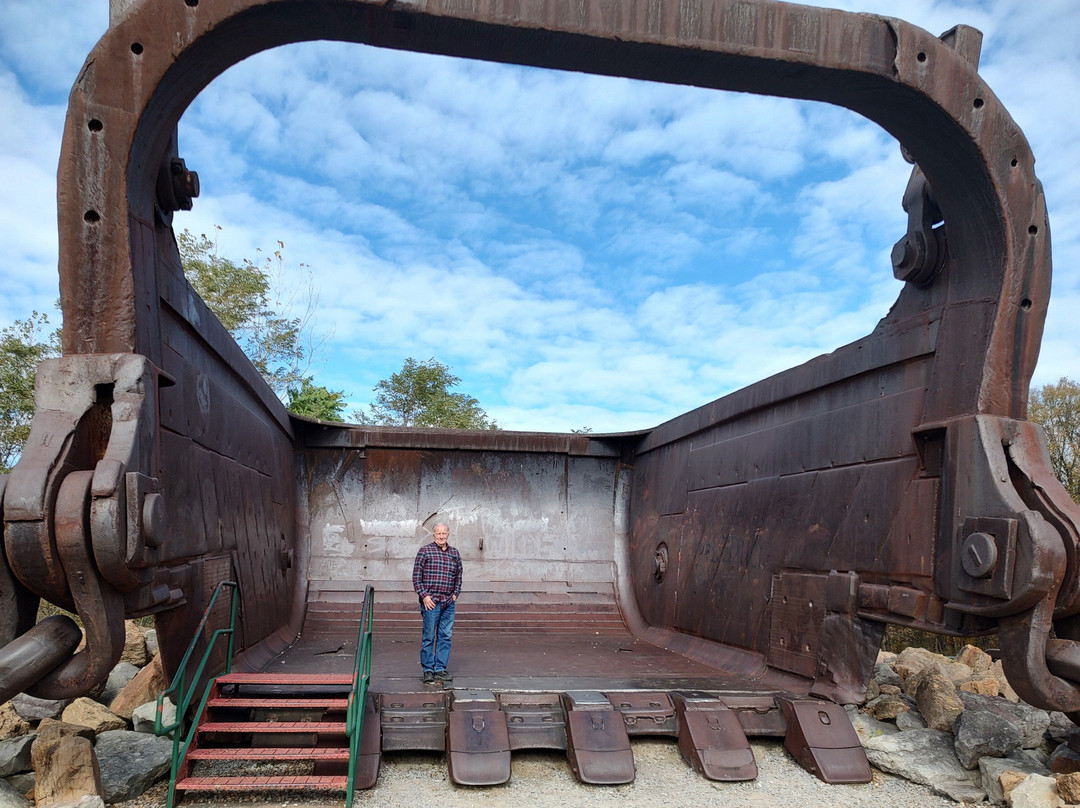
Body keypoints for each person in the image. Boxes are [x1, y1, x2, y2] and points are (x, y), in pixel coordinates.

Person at [412, 522, 462, 684]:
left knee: (445, 636)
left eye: (444, 533)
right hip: (431, 602)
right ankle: (428, 670)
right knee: (428, 636)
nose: (441, 536)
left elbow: (459, 577)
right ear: (434, 535)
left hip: (448, 602)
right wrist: (424, 596)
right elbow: (416, 577)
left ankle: (440, 669)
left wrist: (455, 594)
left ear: (448, 534)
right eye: (438, 533)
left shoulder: (454, 553)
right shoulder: (425, 551)